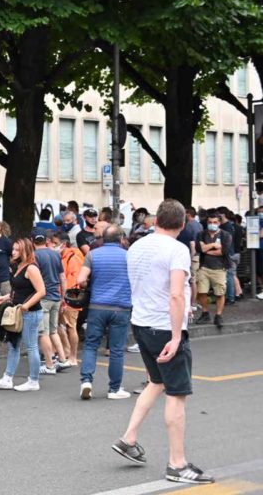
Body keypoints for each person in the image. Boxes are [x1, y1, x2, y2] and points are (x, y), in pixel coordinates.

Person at [114, 199, 213, 485]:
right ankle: (177, 464)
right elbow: (176, 294)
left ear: (155, 221)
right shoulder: (177, 249)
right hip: (164, 326)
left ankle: (128, 438)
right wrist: (177, 335)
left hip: (141, 322)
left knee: (156, 382)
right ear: (182, 224)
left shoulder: (136, 246)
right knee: (176, 394)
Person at [74, 224, 132, 400]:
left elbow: (81, 280)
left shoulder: (92, 254)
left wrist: (90, 283)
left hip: (97, 306)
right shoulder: (129, 256)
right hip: (121, 307)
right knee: (116, 350)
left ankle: (86, 381)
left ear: (103, 238)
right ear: (121, 239)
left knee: (91, 345)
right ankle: (114, 389)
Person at [0, 238, 46, 392]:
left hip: (30, 312)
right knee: (13, 345)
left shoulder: (31, 268)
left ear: (26, 251)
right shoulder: (18, 266)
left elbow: (41, 291)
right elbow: (19, 290)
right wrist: (5, 297)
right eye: (13, 249)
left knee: (31, 346)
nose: (13, 252)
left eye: (17, 250)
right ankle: (7, 378)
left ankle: (33, 381)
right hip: (18, 311)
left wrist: (26, 305)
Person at [34, 233, 70, 374]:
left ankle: (49, 365)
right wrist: (63, 297)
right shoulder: (55, 255)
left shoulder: (34, 256)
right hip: (56, 297)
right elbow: (63, 278)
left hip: (43, 297)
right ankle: (63, 359)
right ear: (46, 240)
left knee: (43, 333)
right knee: (53, 331)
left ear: (32, 241)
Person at [194, 212, 231, 327]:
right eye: (210, 222)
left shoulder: (226, 235)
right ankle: (205, 313)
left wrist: (206, 249)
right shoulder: (201, 234)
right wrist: (213, 245)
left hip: (219, 268)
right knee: (202, 292)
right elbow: (199, 249)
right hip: (203, 268)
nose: (212, 224)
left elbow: (223, 252)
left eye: (215, 222)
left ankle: (218, 315)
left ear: (219, 223)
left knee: (220, 293)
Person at [55, 232, 84, 365]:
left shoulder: (73, 256)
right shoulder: (61, 257)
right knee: (60, 325)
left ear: (64, 244)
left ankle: (73, 356)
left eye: (55, 243)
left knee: (71, 326)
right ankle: (66, 352)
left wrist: (65, 299)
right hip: (62, 295)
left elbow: (73, 280)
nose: (53, 246)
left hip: (72, 295)